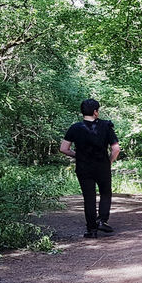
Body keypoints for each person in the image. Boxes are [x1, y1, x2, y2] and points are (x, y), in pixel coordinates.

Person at [59, 99, 121, 238]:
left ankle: (91, 230)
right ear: (95, 112)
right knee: (105, 193)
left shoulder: (75, 128)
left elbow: (64, 148)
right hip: (102, 166)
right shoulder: (106, 126)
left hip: (83, 167)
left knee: (89, 197)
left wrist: (78, 155)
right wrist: (109, 161)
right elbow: (116, 149)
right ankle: (102, 221)